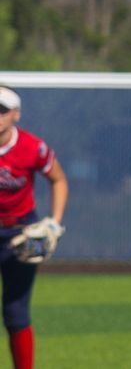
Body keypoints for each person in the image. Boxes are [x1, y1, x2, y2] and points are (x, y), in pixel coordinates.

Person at [0, 86, 68, 369]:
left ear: (16, 114)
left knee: (15, 312)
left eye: (2, 110)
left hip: (19, 233)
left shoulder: (32, 147)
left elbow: (59, 179)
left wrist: (54, 222)